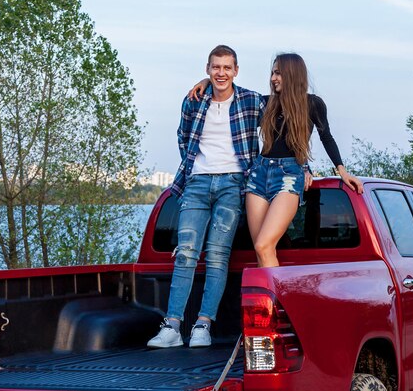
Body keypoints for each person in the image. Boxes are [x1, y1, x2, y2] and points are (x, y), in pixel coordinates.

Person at [189, 53, 363, 268]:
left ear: (291, 74)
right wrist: (206, 81)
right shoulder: (266, 103)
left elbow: (326, 136)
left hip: (289, 175)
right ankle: (269, 302)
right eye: (273, 73)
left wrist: (342, 172)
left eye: (278, 73)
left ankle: (275, 301)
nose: (273, 78)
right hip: (259, 174)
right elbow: (235, 93)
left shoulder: (313, 104)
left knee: (264, 245)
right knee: (262, 248)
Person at [147, 45, 266, 349]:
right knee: (185, 252)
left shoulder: (252, 101)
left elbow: (282, 121)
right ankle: (172, 326)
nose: (221, 73)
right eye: (216, 67)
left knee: (216, 255)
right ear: (208, 69)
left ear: (236, 71)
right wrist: (193, 164)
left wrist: (301, 166)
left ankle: (203, 325)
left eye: (227, 68)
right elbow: (183, 136)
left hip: (232, 183)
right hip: (196, 182)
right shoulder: (193, 101)